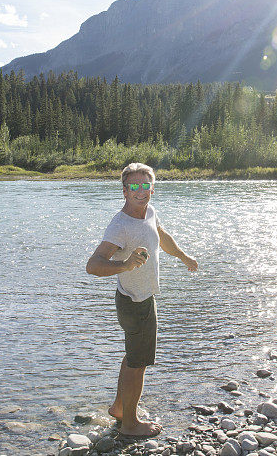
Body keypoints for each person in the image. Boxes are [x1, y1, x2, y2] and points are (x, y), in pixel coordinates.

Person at [86, 162, 198, 438]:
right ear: (125, 191)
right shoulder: (120, 225)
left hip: (143, 299)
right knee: (138, 363)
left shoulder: (150, 211)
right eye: (134, 185)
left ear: (152, 188)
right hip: (135, 303)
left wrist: (183, 257)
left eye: (145, 185)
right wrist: (124, 265)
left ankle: (120, 408)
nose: (140, 190)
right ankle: (131, 425)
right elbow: (93, 265)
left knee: (133, 356)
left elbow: (161, 236)